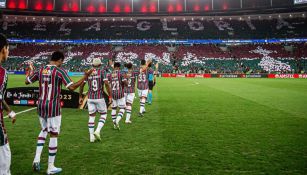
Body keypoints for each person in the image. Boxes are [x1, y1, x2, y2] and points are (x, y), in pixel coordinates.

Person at [25, 51, 93, 175]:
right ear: (60, 60)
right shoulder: (59, 71)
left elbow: (27, 81)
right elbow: (72, 87)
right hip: (53, 106)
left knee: (44, 130)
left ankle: (36, 159)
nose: (62, 63)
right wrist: (85, 77)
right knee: (54, 134)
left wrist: (30, 70)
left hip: (41, 105)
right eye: (62, 61)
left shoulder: (40, 70)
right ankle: (50, 167)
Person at [79, 58, 112, 142]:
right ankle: (97, 131)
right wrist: (110, 96)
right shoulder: (102, 72)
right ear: (100, 65)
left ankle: (91, 137)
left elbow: (82, 85)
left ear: (92, 65)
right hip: (99, 97)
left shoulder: (88, 72)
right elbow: (107, 84)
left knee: (91, 116)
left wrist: (80, 97)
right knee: (104, 114)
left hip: (90, 98)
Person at [0, 33, 16, 175]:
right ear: (4, 49)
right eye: (8, 49)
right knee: (4, 164)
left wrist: (9, 111)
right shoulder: (2, 73)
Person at [107, 62, 127, 130]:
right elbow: (125, 83)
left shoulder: (110, 74)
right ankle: (117, 121)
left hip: (113, 93)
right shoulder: (121, 73)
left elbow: (108, 83)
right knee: (123, 108)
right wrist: (126, 84)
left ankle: (114, 124)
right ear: (119, 67)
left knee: (114, 108)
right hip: (120, 93)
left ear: (114, 66)